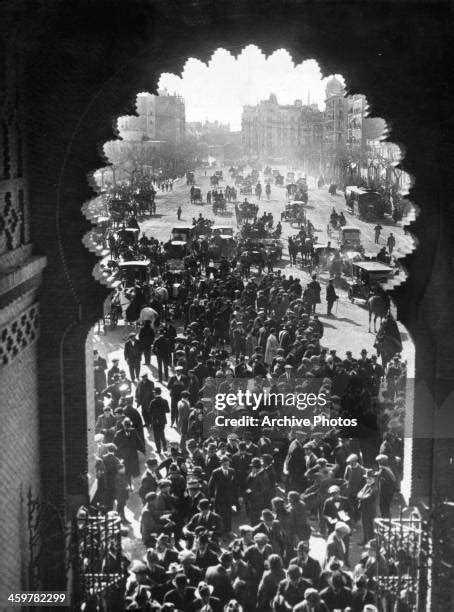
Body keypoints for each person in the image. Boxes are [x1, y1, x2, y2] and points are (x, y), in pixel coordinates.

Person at [208, 456, 238, 534]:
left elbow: (235, 484)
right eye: (224, 464)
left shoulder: (232, 471)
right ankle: (220, 531)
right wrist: (211, 496)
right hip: (219, 497)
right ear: (221, 464)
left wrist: (236, 496)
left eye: (227, 464)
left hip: (229, 497)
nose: (226, 466)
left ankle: (229, 530)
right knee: (220, 514)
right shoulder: (215, 472)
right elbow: (211, 485)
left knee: (229, 514)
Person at [357, 469, 379, 544]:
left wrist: (361, 497)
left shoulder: (374, 488)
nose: (368, 480)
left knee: (369, 526)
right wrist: (361, 496)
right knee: (364, 525)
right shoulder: (366, 485)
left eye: (370, 479)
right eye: (367, 478)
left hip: (370, 510)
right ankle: (365, 540)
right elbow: (359, 493)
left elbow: (368, 498)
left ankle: (370, 542)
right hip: (364, 509)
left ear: (374, 479)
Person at [149, 387, 170, 454]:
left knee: (156, 436)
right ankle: (165, 448)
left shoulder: (152, 402)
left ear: (155, 393)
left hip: (155, 421)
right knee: (162, 434)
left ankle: (158, 450)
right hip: (162, 420)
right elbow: (168, 410)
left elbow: (150, 411)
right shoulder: (165, 401)